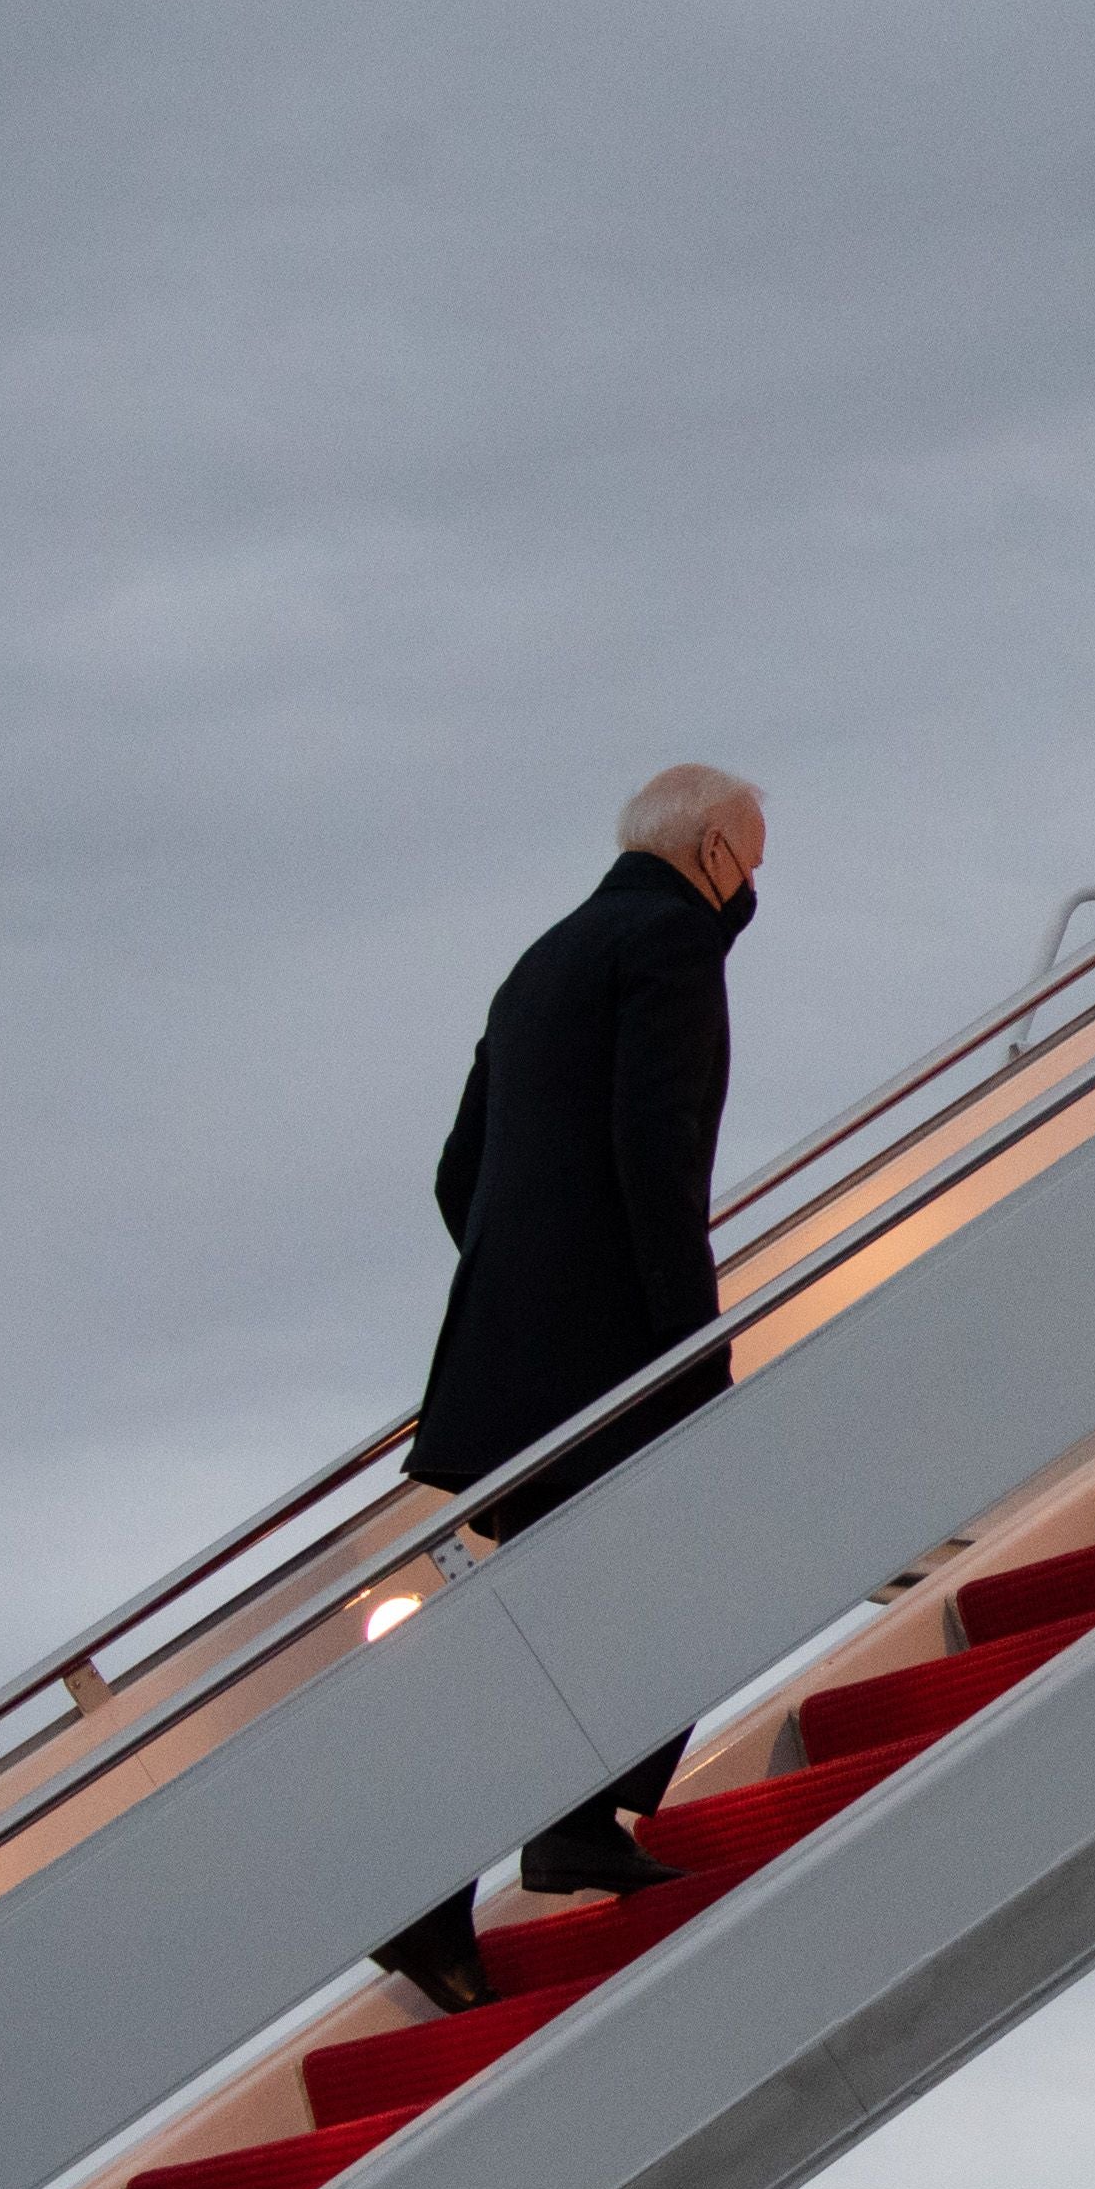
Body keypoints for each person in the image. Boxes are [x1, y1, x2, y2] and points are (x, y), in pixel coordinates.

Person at [371, 764, 767, 2013]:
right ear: (712, 849)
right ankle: (550, 1831)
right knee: (700, 1569)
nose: (752, 892)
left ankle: (508, 1853)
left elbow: (457, 1173)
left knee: (555, 1622)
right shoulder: (668, 942)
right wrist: (681, 1346)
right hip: (610, 1358)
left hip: (505, 1370)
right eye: (751, 865)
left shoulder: (540, 959)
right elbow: (661, 1154)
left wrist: (524, 1299)